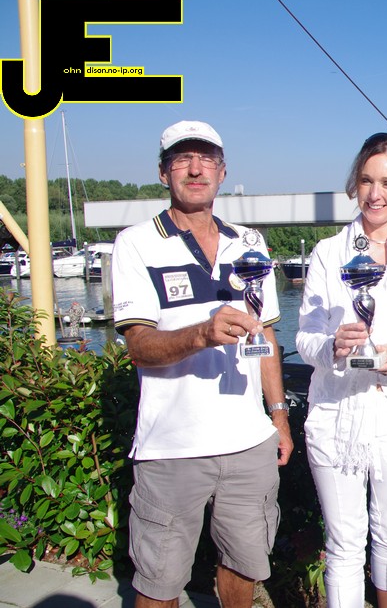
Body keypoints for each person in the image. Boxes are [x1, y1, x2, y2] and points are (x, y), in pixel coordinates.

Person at [111, 120, 294, 608]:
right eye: (182, 159)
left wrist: (278, 417)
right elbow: (138, 346)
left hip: (249, 444)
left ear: (222, 171)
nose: (195, 169)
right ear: (163, 172)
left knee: (244, 564)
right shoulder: (135, 242)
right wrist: (202, 334)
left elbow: (266, 335)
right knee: (159, 580)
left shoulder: (249, 242)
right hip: (171, 447)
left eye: (206, 159)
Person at [294, 132, 387, 608]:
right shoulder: (327, 252)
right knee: (343, 542)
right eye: (366, 181)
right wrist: (332, 346)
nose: (374, 193)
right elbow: (305, 337)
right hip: (335, 415)